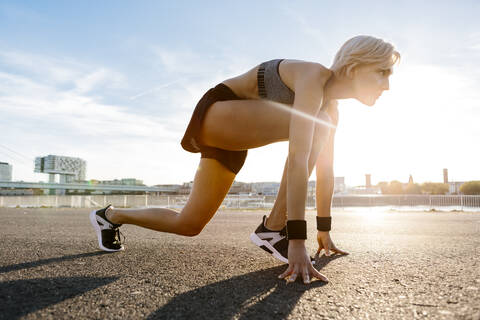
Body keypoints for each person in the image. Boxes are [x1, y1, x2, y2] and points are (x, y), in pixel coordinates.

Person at [90, 35, 400, 284]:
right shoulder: (312, 77)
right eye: (382, 72)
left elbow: (325, 171)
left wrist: (324, 229)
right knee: (317, 126)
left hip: (235, 136)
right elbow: (298, 158)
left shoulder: (331, 110)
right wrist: (296, 241)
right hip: (218, 112)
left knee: (188, 224)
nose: (387, 85)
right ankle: (274, 229)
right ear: (353, 67)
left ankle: (112, 216)